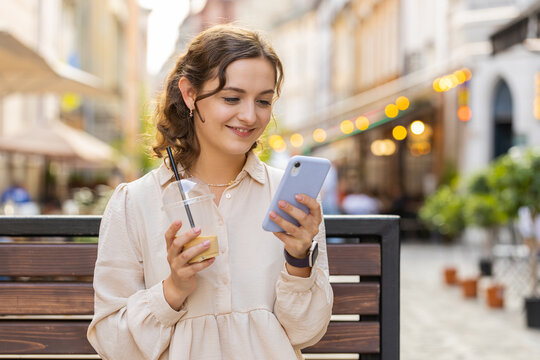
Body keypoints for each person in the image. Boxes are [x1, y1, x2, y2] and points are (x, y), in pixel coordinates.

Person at [87, 24, 333, 360]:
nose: (249, 116)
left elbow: (306, 333)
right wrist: (173, 289)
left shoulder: (291, 199)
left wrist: (298, 261)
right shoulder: (135, 202)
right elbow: (111, 342)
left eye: (263, 101)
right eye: (231, 98)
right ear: (189, 93)